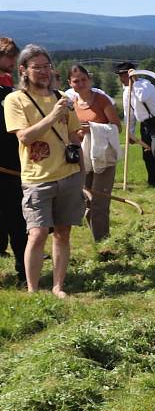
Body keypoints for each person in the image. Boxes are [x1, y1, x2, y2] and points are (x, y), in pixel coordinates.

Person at [3, 44, 85, 298]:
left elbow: (74, 136)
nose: (43, 72)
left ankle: (58, 285)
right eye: (36, 67)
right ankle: (32, 290)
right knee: (37, 234)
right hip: (37, 179)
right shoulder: (15, 100)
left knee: (62, 232)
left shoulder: (62, 98)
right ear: (23, 70)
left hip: (67, 176)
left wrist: (81, 174)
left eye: (46, 66)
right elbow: (25, 137)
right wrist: (53, 116)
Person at [67, 64, 121, 242]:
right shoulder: (71, 104)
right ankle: (97, 238)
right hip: (82, 158)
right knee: (86, 200)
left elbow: (117, 127)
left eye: (84, 79)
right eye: (76, 81)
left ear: (89, 80)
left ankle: (104, 242)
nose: (81, 83)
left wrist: (94, 129)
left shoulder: (101, 100)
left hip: (103, 157)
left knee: (100, 200)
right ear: (70, 83)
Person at [116, 61, 155, 187]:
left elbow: (142, 97)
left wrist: (135, 81)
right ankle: (153, 182)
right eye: (120, 75)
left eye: (123, 75)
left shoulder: (145, 85)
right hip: (145, 124)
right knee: (147, 152)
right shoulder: (126, 92)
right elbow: (129, 113)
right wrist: (129, 132)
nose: (121, 78)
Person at [0, 36, 27, 284]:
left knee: (18, 222)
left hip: (13, 166)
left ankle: (24, 270)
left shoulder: (11, 90)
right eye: (9, 58)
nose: (12, 62)